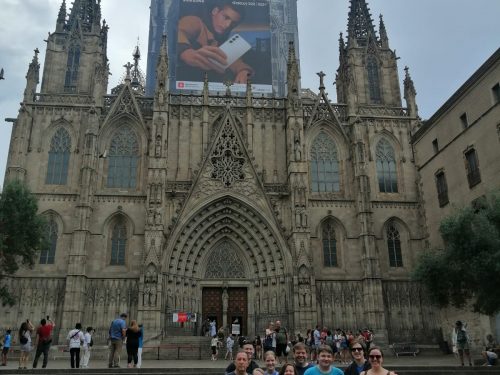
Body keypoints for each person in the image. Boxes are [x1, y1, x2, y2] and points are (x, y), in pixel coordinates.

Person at [177, 0, 253, 84]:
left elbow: (235, 61)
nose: (227, 25)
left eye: (233, 23)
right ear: (215, 11)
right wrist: (185, 52)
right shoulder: (195, 22)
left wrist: (244, 71)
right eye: (226, 17)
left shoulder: (222, 38)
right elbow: (178, 31)